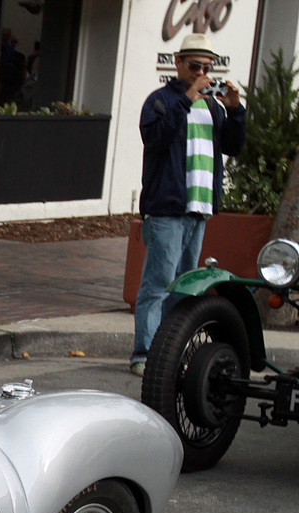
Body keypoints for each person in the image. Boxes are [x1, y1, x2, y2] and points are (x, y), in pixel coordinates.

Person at [132, 33, 245, 376]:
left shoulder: (212, 106)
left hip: (198, 207)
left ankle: (168, 354)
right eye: (194, 65)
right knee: (158, 283)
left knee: (183, 285)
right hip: (166, 207)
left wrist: (236, 109)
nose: (200, 73)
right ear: (178, 63)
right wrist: (188, 97)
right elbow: (155, 137)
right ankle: (143, 355)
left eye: (207, 67)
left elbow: (233, 147)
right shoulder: (161, 100)